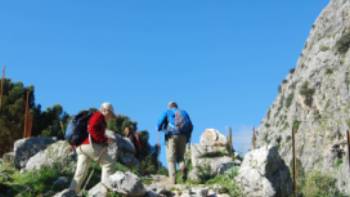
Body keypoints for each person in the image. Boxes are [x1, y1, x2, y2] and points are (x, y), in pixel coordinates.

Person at [69, 102, 116, 193]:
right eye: (110, 115)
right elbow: (92, 129)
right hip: (88, 145)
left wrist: (104, 140)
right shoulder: (98, 115)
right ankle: (104, 192)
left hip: (81, 147)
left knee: (80, 172)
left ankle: (71, 192)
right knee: (109, 163)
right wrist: (105, 140)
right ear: (105, 111)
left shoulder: (95, 116)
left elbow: (91, 129)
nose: (110, 118)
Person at [157, 101, 193, 184]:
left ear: (170, 106)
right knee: (180, 157)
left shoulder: (168, 111)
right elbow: (191, 125)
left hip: (172, 136)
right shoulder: (184, 112)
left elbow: (159, 122)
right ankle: (182, 166)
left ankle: (172, 181)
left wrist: (158, 128)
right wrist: (187, 137)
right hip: (183, 137)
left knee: (171, 159)